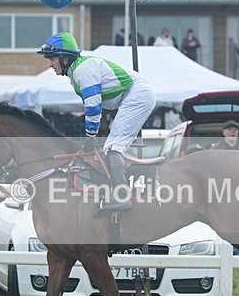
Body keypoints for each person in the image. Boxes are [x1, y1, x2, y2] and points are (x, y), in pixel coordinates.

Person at [37, 32, 156, 212]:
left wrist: (90, 137)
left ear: (65, 58)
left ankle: (122, 197)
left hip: (137, 95)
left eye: (52, 59)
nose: (50, 64)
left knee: (113, 147)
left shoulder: (83, 70)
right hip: (133, 95)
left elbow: (93, 108)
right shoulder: (76, 72)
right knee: (111, 147)